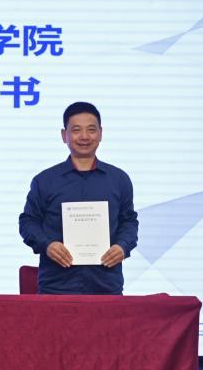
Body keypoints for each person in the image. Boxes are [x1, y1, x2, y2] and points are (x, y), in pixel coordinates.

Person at [19, 102, 138, 295]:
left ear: (100, 133)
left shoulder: (118, 179)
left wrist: (122, 247)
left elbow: (129, 221)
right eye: (76, 130)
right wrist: (47, 245)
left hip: (106, 286)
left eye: (91, 130)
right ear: (64, 135)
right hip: (57, 287)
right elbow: (28, 222)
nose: (84, 136)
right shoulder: (45, 180)